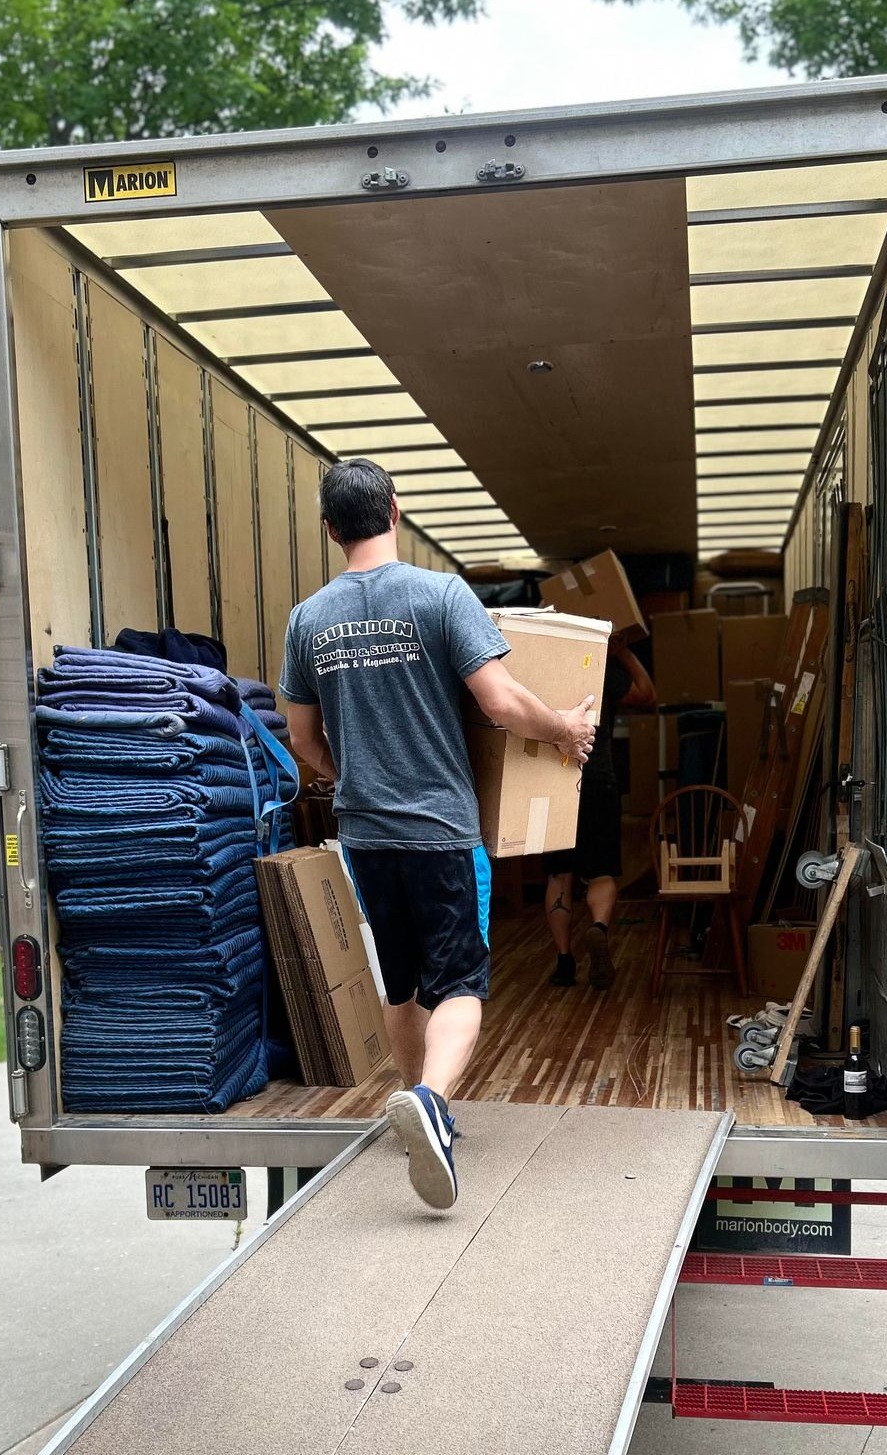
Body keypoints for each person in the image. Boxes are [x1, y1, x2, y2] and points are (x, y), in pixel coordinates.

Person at [279, 459, 597, 1211]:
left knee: (402, 982)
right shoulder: (439, 594)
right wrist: (566, 731)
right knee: (460, 984)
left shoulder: (307, 619)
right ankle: (431, 1101)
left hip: (364, 833)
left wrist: (351, 772)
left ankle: (415, 1108)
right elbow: (501, 702)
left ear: (330, 529)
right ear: (394, 511)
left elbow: (301, 737)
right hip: (440, 831)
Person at [543, 636, 656, 989]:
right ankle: (598, 928)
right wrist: (620, 649)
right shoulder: (600, 669)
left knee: (559, 875)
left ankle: (564, 961)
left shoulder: (542, 668)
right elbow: (646, 693)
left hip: (552, 781)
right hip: (598, 780)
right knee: (603, 871)